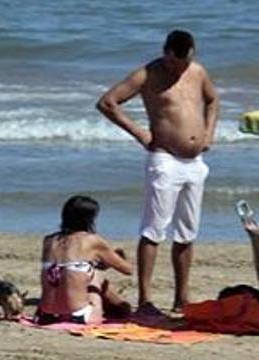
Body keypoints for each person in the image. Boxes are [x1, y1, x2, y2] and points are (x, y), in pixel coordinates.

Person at [96, 30, 219, 314]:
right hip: (164, 159)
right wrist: (140, 133)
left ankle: (181, 297)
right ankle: (146, 300)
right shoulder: (147, 74)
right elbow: (107, 102)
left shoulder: (198, 72)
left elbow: (213, 100)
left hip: (195, 162)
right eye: (178, 62)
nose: (182, 68)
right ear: (167, 53)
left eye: (187, 61)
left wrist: (209, 134)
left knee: (188, 233)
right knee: (154, 230)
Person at [36, 196, 133, 325]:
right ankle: (115, 307)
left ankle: (117, 307)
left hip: (46, 315)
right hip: (78, 317)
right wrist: (120, 255)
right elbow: (128, 270)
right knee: (96, 275)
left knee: (64, 272)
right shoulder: (91, 240)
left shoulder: (49, 240)